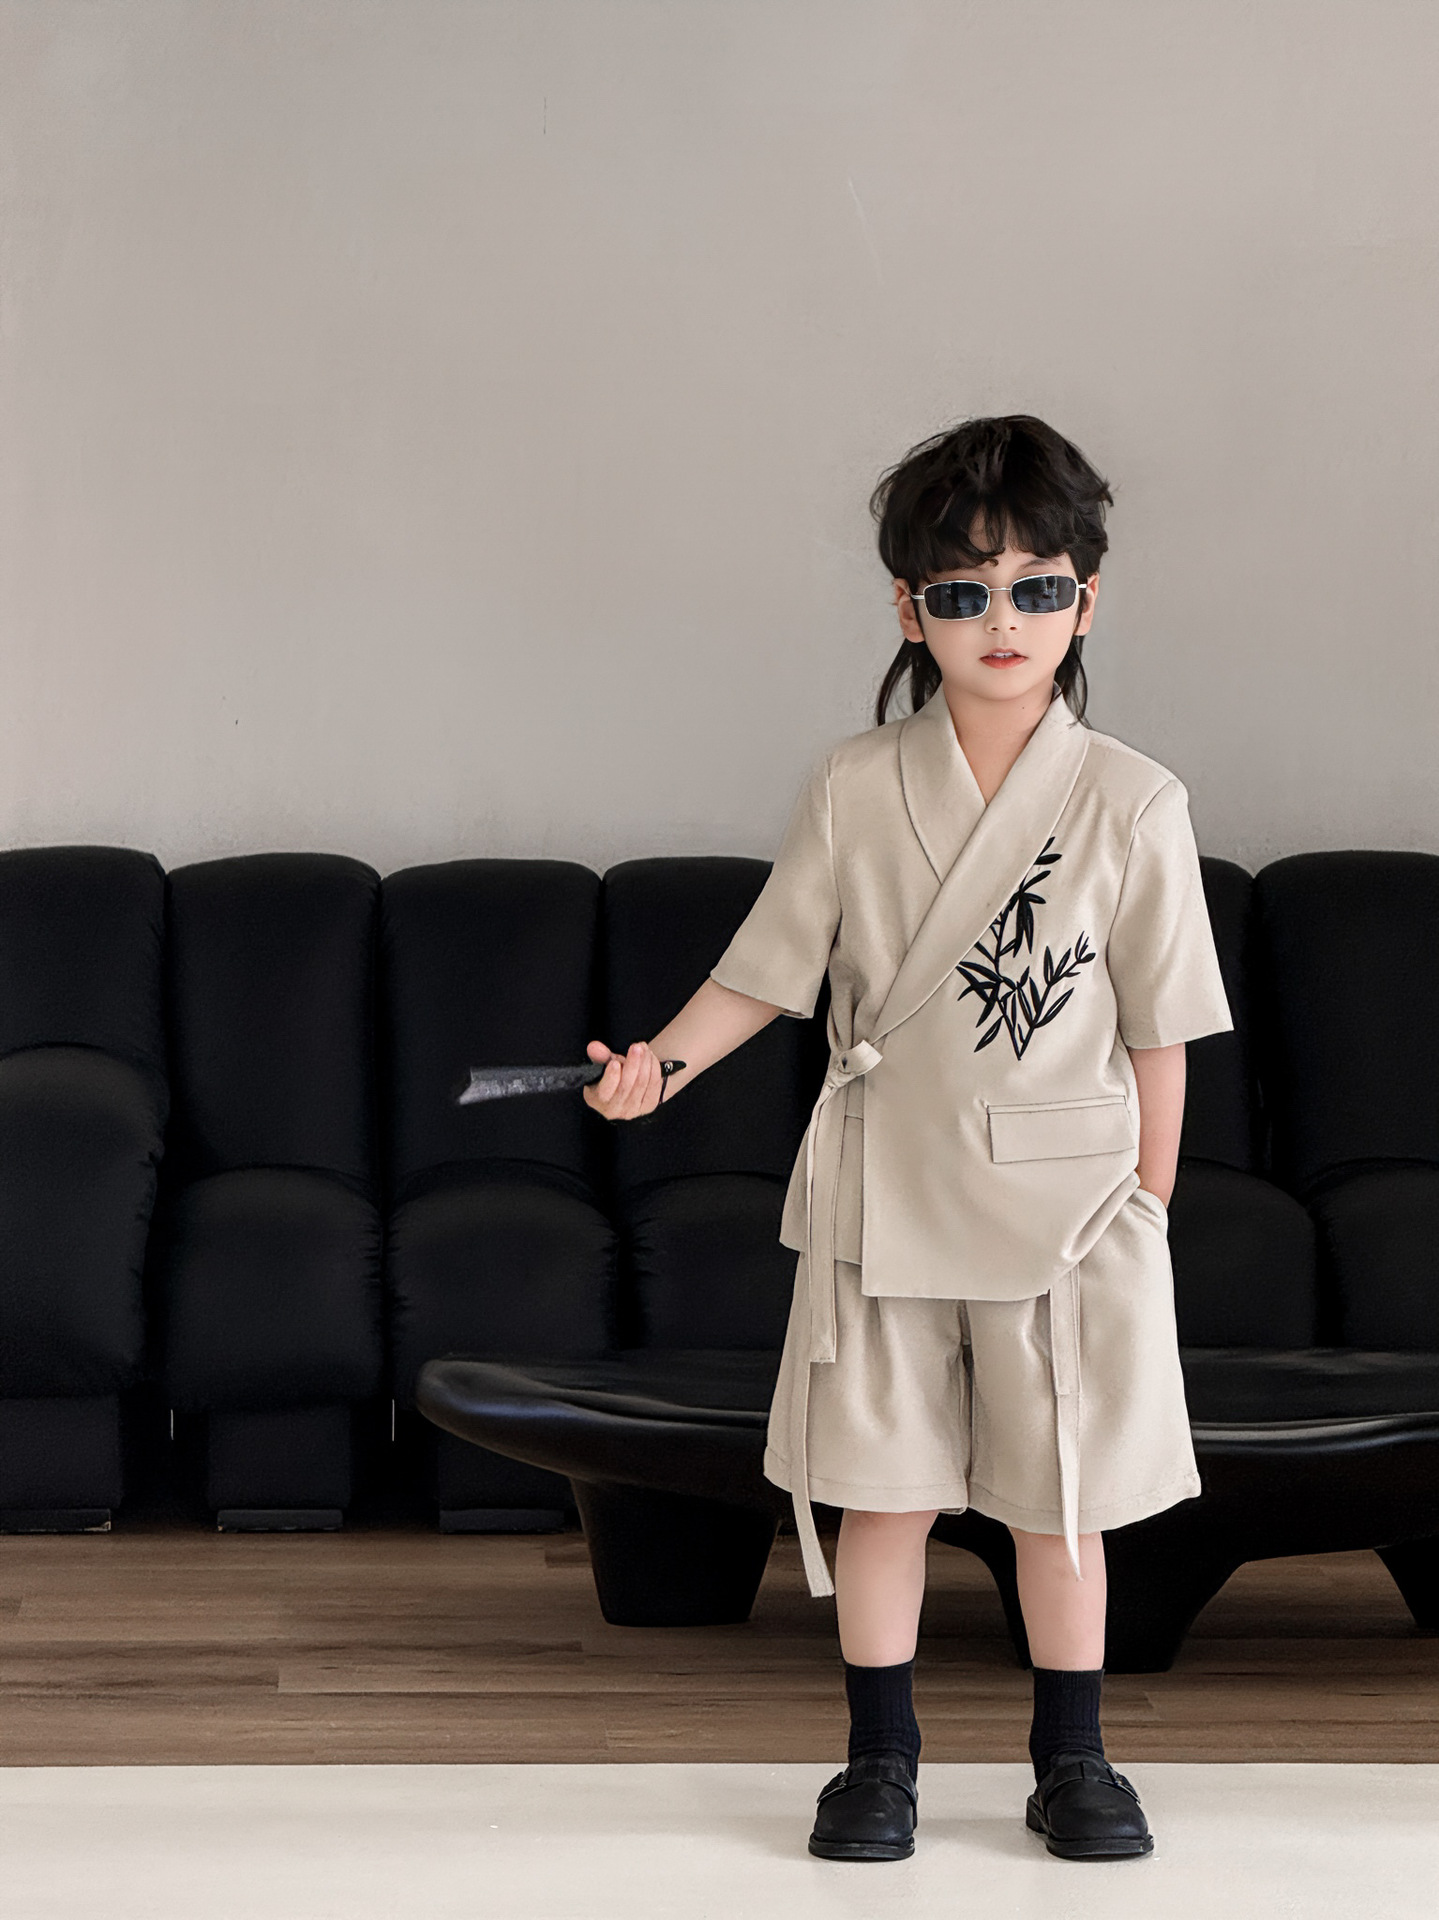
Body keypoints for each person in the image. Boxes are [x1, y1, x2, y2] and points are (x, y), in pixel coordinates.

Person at [582, 414, 1232, 1863]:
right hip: (887, 1193)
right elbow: (767, 972)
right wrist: (659, 1070)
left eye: (1037, 587)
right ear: (909, 609)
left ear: (1086, 600)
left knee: (1064, 1507)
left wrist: (1147, 1210)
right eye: (963, 590)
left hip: (1073, 1210)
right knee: (884, 1497)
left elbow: (1161, 1028)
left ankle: (1074, 1759)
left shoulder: (1135, 799)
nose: (1003, 621)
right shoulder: (855, 783)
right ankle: (879, 1759)